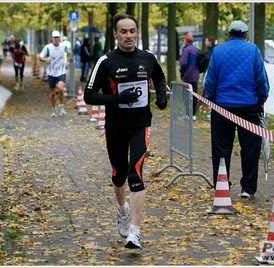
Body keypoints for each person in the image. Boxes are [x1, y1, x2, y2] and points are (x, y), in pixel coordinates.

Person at [83, 13, 167, 249]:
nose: (128, 35)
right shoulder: (106, 61)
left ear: (137, 32)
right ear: (115, 34)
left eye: (132, 31)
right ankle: (122, 210)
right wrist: (116, 98)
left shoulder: (147, 58)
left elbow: (159, 77)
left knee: (135, 175)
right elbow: (89, 95)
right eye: (123, 31)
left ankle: (135, 232)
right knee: (119, 175)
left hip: (140, 125)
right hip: (115, 126)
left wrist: (161, 96)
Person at [204, 20, 269, 197]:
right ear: (246, 35)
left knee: (221, 148)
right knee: (250, 148)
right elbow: (261, 79)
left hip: (222, 107)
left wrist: (212, 100)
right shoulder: (253, 50)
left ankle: (221, 184)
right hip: (248, 107)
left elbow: (210, 81)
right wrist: (261, 100)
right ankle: (247, 188)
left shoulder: (217, 51)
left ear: (228, 34)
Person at [39, 30, 71, 117]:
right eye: (54, 37)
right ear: (51, 38)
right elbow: (40, 57)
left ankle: (61, 105)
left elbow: (69, 53)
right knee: (53, 92)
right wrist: (46, 59)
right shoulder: (48, 47)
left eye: (57, 37)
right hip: (51, 72)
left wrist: (68, 61)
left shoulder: (63, 46)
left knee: (61, 88)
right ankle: (54, 108)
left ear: (59, 38)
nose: (56, 39)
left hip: (61, 71)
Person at [179, 33, 200, 121]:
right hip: (195, 75)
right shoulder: (197, 50)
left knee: (186, 95)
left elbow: (183, 62)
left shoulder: (186, 50)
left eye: (184, 39)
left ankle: (188, 114)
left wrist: (181, 71)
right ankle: (193, 114)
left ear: (186, 40)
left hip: (187, 76)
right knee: (194, 95)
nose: (183, 41)